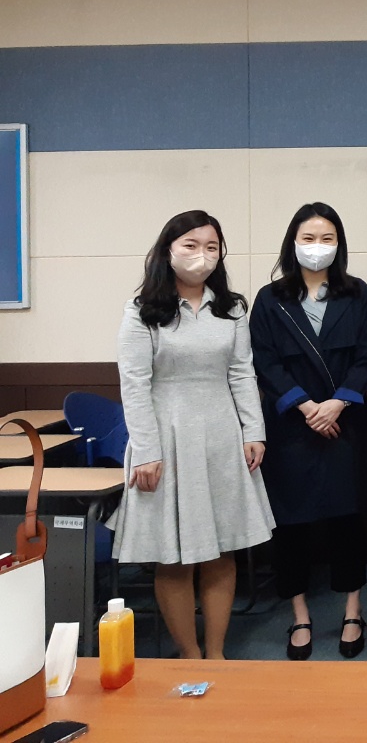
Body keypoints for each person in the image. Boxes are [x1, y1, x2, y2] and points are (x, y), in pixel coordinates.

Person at [111, 211, 274, 660]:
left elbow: (241, 373)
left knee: (222, 549)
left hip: (222, 435)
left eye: (211, 246)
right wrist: (146, 451)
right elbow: (134, 384)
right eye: (190, 245)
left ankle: (216, 654)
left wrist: (254, 431)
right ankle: (189, 653)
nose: (201, 255)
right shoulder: (142, 310)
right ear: (168, 250)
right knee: (173, 553)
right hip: (165, 438)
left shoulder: (231, 308)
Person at [249, 202, 367, 660]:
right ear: (293, 243)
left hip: (344, 422)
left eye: (327, 238)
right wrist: (306, 407)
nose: (317, 247)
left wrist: (336, 403)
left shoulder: (356, 292)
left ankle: (352, 610)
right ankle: (300, 614)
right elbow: (264, 361)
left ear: (339, 244)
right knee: (291, 524)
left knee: (348, 518)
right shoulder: (271, 299)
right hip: (292, 425)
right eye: (308, 238)